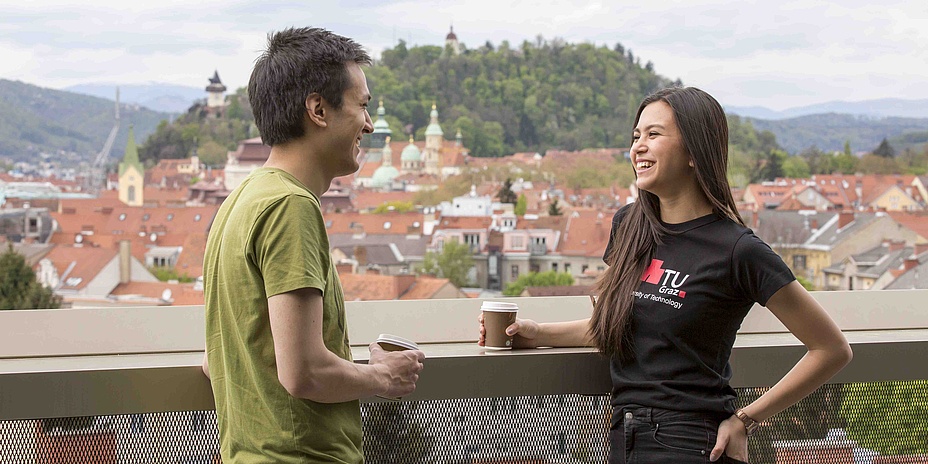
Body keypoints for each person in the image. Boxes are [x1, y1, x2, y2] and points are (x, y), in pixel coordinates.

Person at [478, 87, 852, 463]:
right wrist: (535, 334)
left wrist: (746, 419)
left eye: (653, 135)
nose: (638, 147)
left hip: (692, 441)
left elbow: (831, 349)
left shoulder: (738, 250)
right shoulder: (630, 226)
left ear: (694, 151)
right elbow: (614, 325)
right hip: (623, 436)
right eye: (636, 136)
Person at [201, 27, 425, 463]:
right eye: (362, 105)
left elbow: (223, 356)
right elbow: (304, 372)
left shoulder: (239, 203)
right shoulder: (290, 206)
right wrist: (383, 377)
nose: (370, 123)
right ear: (318, 109)